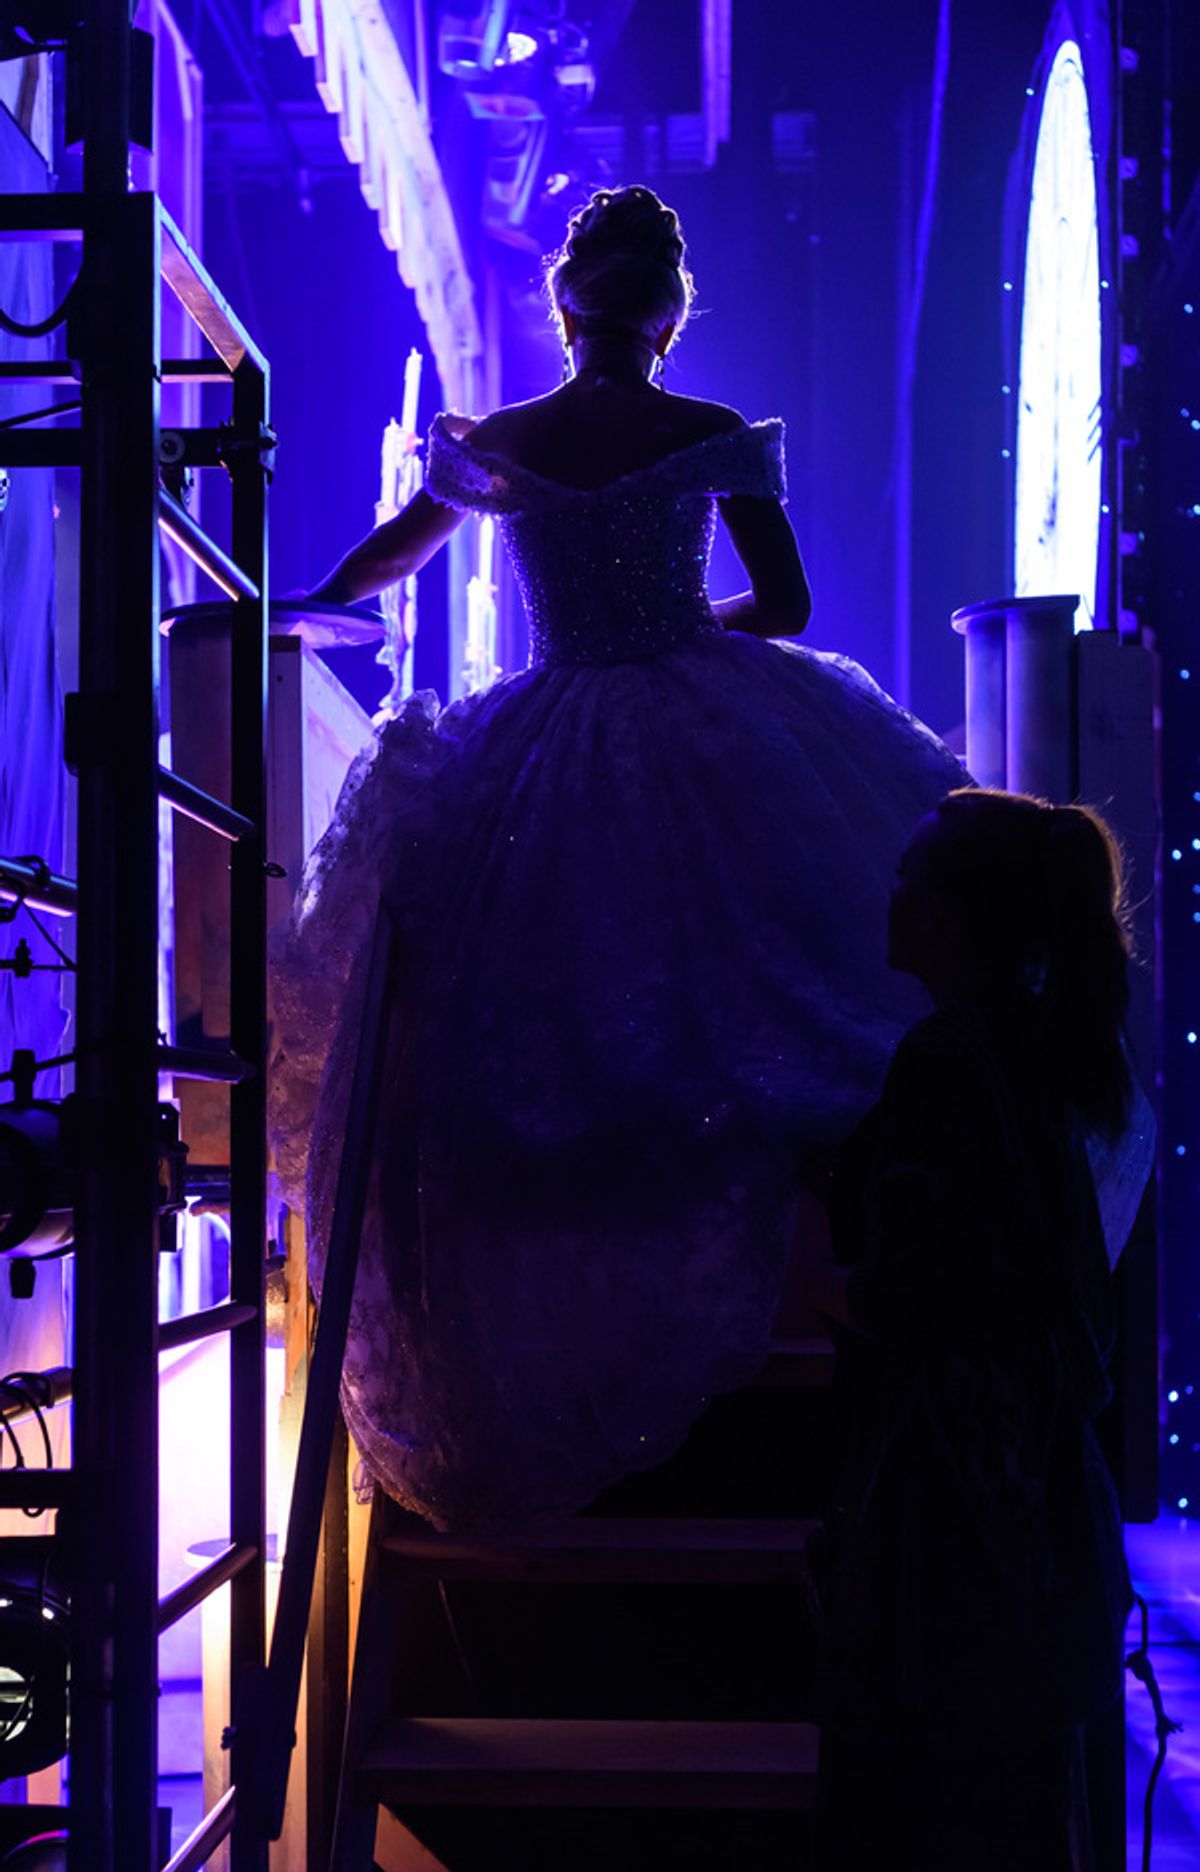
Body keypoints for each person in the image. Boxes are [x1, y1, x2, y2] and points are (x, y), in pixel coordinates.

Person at [270, 184, 966, 1530]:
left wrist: (293, 608)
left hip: (550, 719)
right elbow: (792, 607)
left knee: (536, 989)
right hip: (696, 701)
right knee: (743, 968)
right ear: (670, 312)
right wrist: (678, 619)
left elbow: (389, 557)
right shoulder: (705, 435)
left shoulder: (507, 441)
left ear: (568, 303)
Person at [806, 788, 1139, 1871]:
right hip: (1039, 1529)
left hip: (954, 1547)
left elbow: (917, 1295)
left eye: (908, 880)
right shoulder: (1029, 1049)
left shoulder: (945, 1059)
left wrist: (813, 1280)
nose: (889, 896)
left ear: (946, 915)